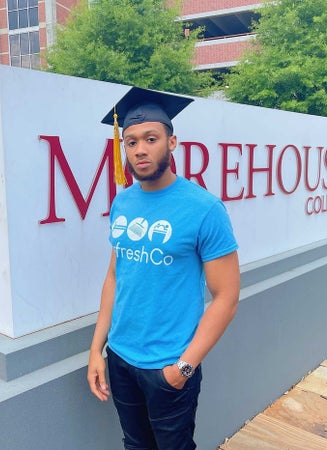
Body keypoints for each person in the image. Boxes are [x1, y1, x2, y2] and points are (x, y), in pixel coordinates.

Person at [87, 87, 240, 450]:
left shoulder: (204, 208)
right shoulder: (123, 203)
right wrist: (96, 350)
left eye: (151, 139)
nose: (140, 149)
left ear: (172, 143)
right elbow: (115, 277)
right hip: (120, 358)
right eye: (131, 141)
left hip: (168, 364)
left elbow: (227, 297)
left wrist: (183, 368)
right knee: (135, 445)